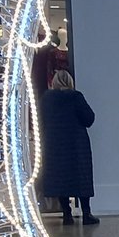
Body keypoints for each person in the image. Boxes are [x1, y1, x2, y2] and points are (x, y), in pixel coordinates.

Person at [39, 69, 99, 225]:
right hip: (77, 143)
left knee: (60, 177)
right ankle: (86, 214)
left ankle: (67, 214)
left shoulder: (47, 98)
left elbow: (41, 119)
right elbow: (89, 118)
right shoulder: (76, 96)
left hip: (54, 143)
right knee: (81, 177)